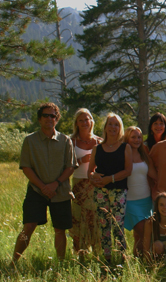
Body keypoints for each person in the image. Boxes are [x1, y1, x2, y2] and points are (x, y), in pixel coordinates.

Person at [13, 103, 78, 264]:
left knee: (60, 229)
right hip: (36, 190)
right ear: (39, 119)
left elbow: (70, 166)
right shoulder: (30, 141)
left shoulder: (65, 140)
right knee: (28, 226)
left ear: (57, 119)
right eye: (46, 115)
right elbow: (26, 167)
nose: (49, 119)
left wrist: (55, 184)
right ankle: (13, 261)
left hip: (60, 191)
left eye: (53, 116)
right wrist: (43, 187)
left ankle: (61, 263)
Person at [88, 113, 133, 261]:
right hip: (101, 191)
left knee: (117, 225)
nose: (113, 127)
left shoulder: (125, 148)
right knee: (103, 225)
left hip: (119, 191)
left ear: (120, 128)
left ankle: (121, 257)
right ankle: (107, 257)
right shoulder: (97, 148)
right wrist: (94, 178)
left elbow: (128, 170)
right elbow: (90, 171)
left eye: (116, 125)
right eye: (110, 124)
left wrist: (110, 179)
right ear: (105, 127)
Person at [70, 108, 102, 256]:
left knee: (94, 219)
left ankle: (97, 254)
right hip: (78, 184)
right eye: (81, 120)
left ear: (91, 121)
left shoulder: (99, 141)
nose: (84, 122)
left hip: (95, 185)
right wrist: (81, 160)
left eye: (87, 119)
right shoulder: (71, 141)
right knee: (78, 219)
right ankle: (79, 255)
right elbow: (65, 165)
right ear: (76, 123)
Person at [123, 126, 157, 257]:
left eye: (139, 137)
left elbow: (154, 175)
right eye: (133, 137)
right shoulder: (123, 154)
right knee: (144, 233)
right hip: (130, 201)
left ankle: (138, 262)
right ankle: (149, 261)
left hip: (146, 200)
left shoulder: (144, 154)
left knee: (138, 236)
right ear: (127, 138)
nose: (137, 140)